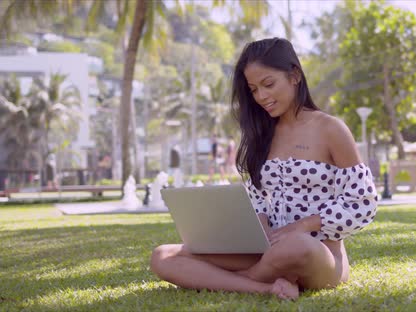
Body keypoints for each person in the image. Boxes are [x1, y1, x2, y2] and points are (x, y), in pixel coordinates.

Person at [150, 38, 378, 300]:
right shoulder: (262, 135)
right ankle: (265, 286)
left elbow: (363, 203)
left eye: (268, 85)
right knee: (163, 256)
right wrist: (249, 233)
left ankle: (235, 278)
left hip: (318, 252)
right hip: (267, 248)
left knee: (295, 245)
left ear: (294, 75)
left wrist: (301, 226)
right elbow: (258, 202)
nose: (261, 97)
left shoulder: (330, 129)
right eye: (254, 89)